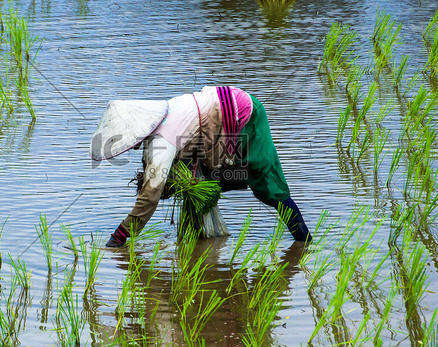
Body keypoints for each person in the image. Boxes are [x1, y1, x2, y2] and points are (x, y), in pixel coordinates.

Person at [90, 86, 310, 248]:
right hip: (219, 113)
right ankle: (203, 244)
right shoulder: (162, 114)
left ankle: (305, 243)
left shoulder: (162, 141)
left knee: (269, 185)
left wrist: (121, 234)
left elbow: (151, 194)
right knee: (201, 185)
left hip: (245, 114)